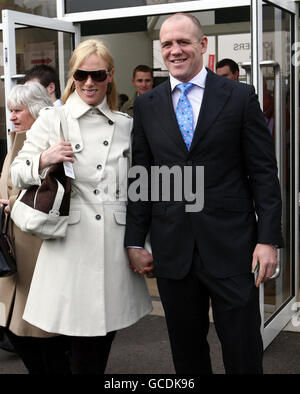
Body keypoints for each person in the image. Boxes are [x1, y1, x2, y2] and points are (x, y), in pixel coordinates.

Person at [124, 13, 283, 374]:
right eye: (167, 44)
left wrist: (268, 239)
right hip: (173, 249)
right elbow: (142, 176)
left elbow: (263, 172)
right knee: (187, 351)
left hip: (232, 247)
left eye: (183, 42)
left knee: (243, 348)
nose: (175, 50)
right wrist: (135, 240)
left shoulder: (239, 96)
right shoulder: (148, 105)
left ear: (203, 45)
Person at [10, 39, 152, 374]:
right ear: (73, 76)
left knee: (101, 341)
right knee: (74, 345)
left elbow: (139, 189)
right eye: (82, 74)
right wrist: (44, 158)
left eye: (97, 74)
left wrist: (141, 242)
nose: (89, 82)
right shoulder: (52, 119)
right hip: (68, 247)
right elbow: (18, 172)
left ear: (110, 75)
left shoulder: (124, 125)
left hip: (113, 249)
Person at [0, 82, 71, 374]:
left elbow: (56, 192)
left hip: (39, 250)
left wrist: (13, 202)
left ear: (36, 110)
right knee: (18, 331)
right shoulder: (16, 140)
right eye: (10, 111)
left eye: (18, 110)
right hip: (15, 252)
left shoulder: (49, 140)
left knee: (42, 335)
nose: (13, 116)